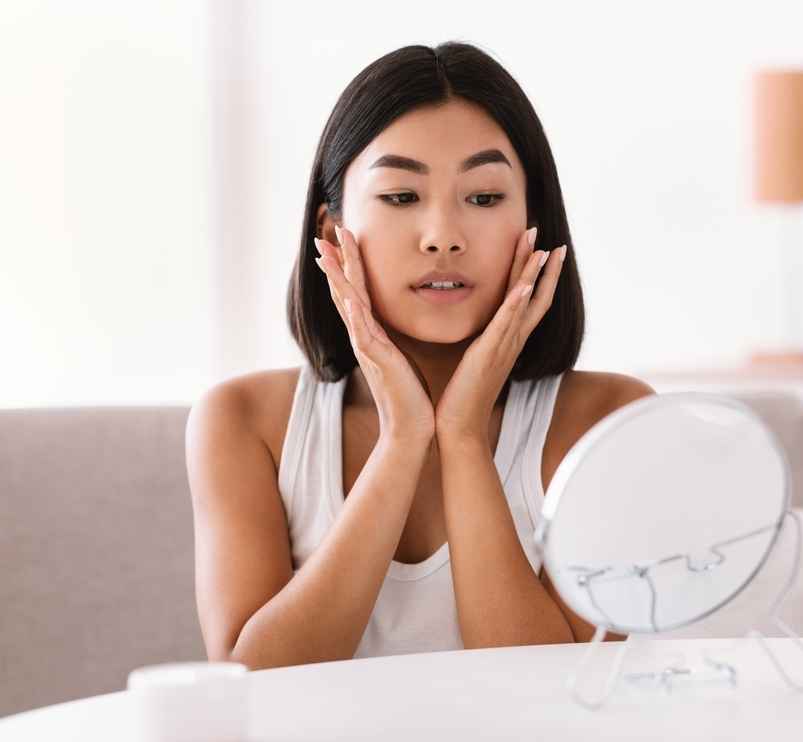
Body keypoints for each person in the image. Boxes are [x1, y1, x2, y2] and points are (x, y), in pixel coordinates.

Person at [184, 41, 654, 670]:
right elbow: (250, 684)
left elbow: (551, 692)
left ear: (535, 224)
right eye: (401, 197)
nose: (443, 238)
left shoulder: (612, 420)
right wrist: (403, 437)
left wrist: (461, 434)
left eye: (484, 198)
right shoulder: (243, 422)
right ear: (330, 231)